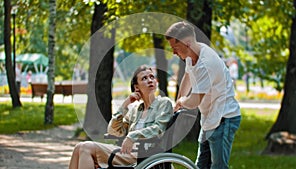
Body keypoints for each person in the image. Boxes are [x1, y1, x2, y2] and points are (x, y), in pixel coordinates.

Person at [165, 21, 241, 169]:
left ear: (187, 43)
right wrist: (178, 104)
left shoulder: (206, 64)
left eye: (175, 48)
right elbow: (188, 76)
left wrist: (182, 100)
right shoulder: (192, 54)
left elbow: (193, 101)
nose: (173, 52)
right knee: (201, 165)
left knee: (218, 167)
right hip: (210, 118)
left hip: (224, 118)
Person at [69, 65, 173, 169]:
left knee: (86, 147)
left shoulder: (164, 103)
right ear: (136, 87)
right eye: (144, 78)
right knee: (79, 147)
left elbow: (159, 129)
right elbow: (113, 131)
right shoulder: (135, 110)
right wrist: (125, 105)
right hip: (128, 154)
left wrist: (132, 136)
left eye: (152, 77)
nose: (150, 80)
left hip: (145, 156)